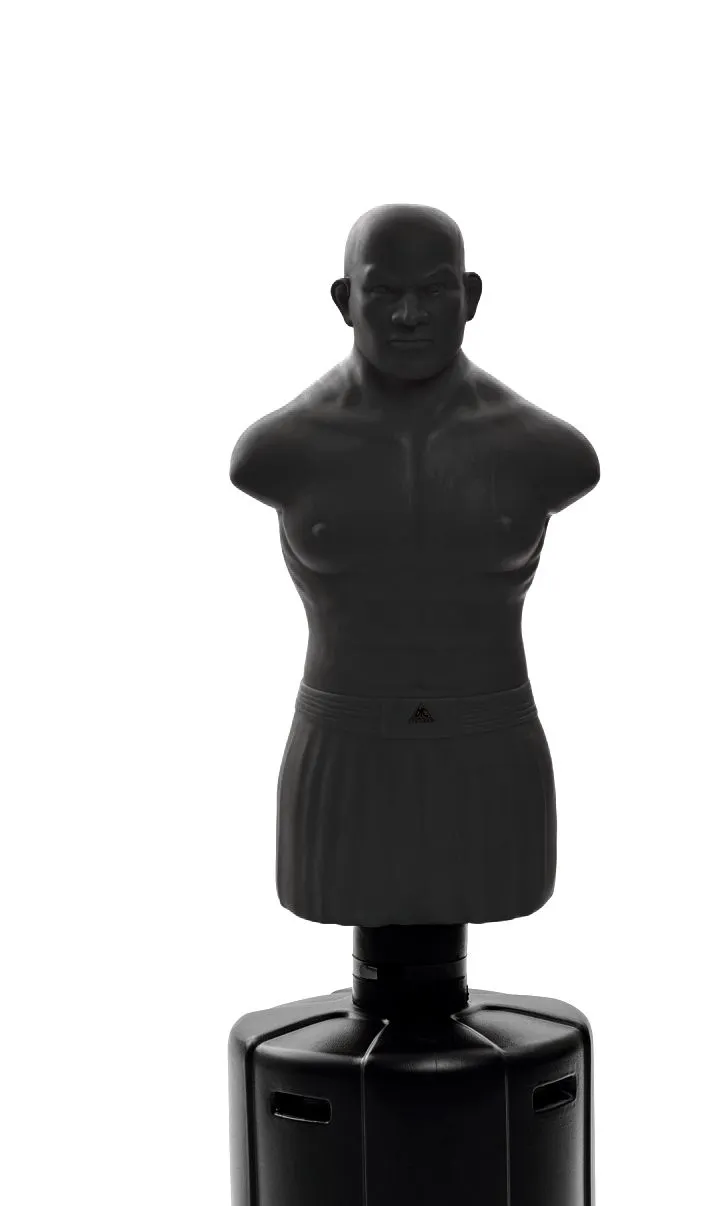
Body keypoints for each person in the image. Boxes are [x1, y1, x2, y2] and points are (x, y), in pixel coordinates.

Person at [230, 204, 600, 926]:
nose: (408, 315)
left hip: (492, 754)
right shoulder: (279, 450)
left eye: (433, 290)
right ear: (344, 301)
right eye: (384, 291)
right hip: (340, 756)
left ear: (472, 296)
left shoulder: (546, 451)